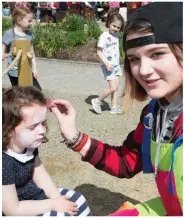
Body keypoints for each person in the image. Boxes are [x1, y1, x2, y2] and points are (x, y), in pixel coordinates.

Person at [47, 2, 183, 216]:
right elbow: (125, 163)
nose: (144, 70)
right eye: (134, 59)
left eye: (157, 53)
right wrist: (73, 136)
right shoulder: (153, 114)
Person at [2, 86, 92, 216]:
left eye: (43, 123)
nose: (42, 131)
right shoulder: (4, 163)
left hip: (34, 196)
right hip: (20, 207)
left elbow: (38, 171)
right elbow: (12, 210)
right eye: (33, 127)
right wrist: (53, 204)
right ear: (7, 129)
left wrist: (57, 198)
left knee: (78, 200)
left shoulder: (29, 146)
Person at [91, 12, 124, 114]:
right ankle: (97, 100)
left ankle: (113, 108)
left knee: (116, 88)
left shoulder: (117, 36)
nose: (116, 29)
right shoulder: (104, 36)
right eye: (114, 26)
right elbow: (99, 52)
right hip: (108, 66)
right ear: (109, 23)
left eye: (118, 27)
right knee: (113, 87)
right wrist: (106, 63)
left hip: (116, 65)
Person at [2, 7, 41, 90]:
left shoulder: (29, 35)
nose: (31, 23)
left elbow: (32, 53)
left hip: (27, 69)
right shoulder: (9, 34)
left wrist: (34, 68)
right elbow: (3, 47)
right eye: (29, 21)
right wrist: (2, 54)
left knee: (36, 90)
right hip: (14, 72)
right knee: (19, 93)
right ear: (19, 20)